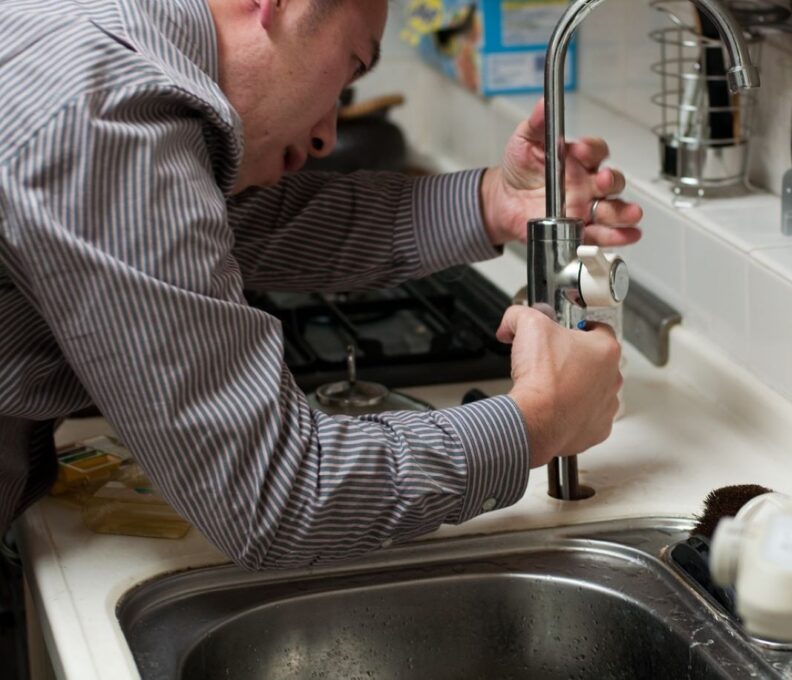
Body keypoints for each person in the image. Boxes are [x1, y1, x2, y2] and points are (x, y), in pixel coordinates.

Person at [0, 0, 643, 569]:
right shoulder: (108, 115)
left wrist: (494, 201)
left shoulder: (108, 42)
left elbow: (251, 224)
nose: (326, 134)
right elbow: (274, 495)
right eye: (351, 67)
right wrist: (538, 420)